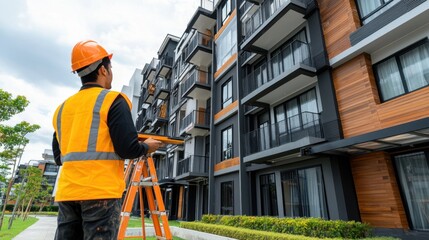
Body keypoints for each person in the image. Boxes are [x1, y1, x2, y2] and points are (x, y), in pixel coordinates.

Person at [52, 40, 162, 240]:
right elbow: (127, 148)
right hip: (100, 193)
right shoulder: (113, 100)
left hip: (68, 193)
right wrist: (147, 146)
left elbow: (59, 157)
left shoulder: (62, 108)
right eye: (110, 68)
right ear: (103, 70)